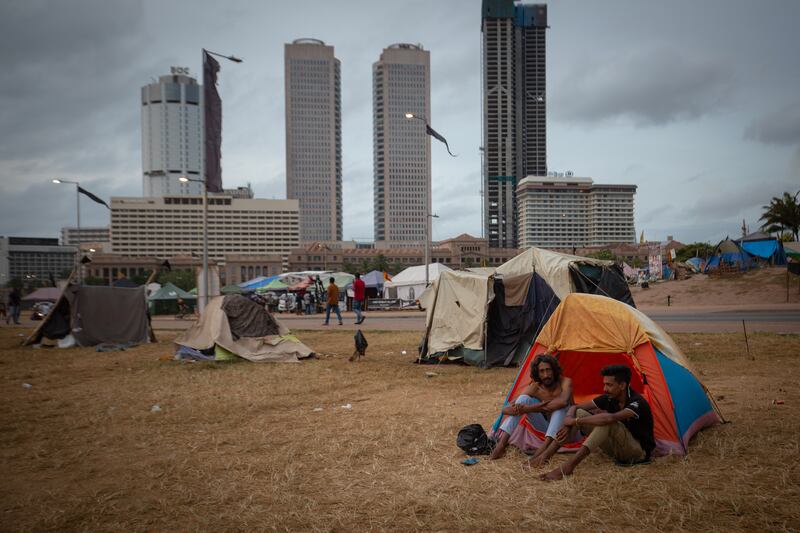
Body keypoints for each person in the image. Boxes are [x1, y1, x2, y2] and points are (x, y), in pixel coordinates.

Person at [541, 364, 655, 481]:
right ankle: (545, 456)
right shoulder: (610, 397)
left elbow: (610, 418)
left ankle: (569, 466)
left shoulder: (638, 402)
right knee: (580, 412)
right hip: (616, 449)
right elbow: (576, 408)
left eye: (609, 385)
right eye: (604, 384)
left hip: (637, 453)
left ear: (622, 385)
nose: (605, 389)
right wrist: (569, 420)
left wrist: (575, 421)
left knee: (607, 422)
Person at [490, 354, 573, 466]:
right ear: (537, 373)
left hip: (566, 431)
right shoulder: (535, 387)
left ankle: (539, 454)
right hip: (545, 429)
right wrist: (532, 408)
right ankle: (501, 445)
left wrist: (531, 409)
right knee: (524, 399)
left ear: (554, 370)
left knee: (559, 409)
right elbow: (505, 409)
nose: (546, 375)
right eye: (542, 371)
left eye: (549, 370)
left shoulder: (565, 382)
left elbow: (563, 402)